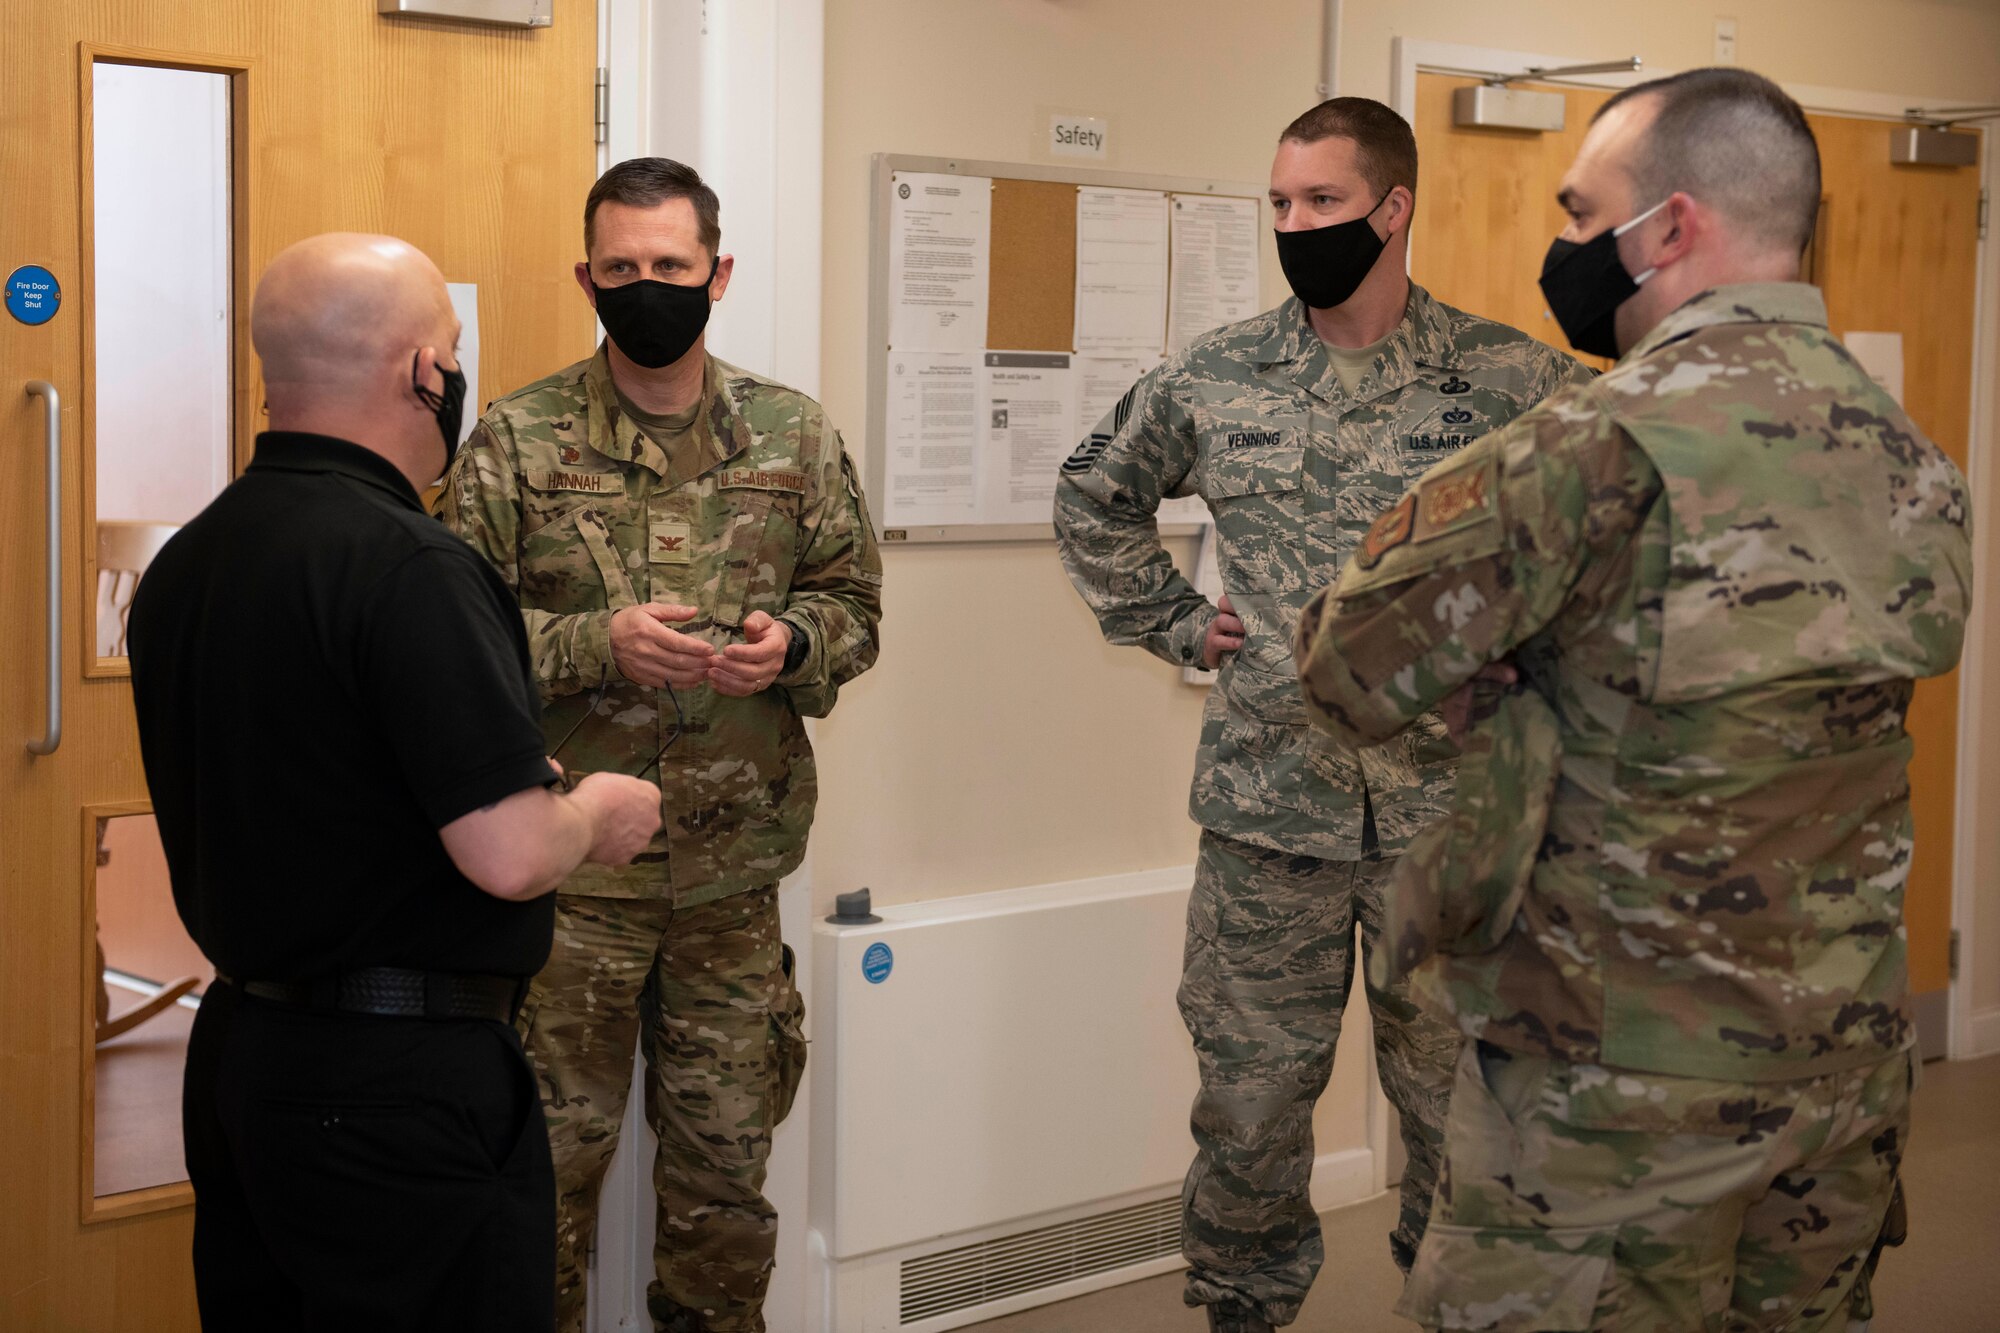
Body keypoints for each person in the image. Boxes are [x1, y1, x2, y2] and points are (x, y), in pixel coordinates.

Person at [1293, 68, 1971, 1331]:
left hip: (1609, 1099)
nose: (1560, 246)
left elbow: (1341, 662)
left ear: (1665, 229)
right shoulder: (1905, 453)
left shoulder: (1585, 447)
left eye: (1574, 210)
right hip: (1841, 1077)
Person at [1053, 98, 1589, 1332]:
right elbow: (1093, 496)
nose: (1295, 226)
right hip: (1267, 812)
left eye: (1322, 203)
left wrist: (1535, 659)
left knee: (1464, 1116)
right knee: (1246, 1118)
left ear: (1391, 209)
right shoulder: (1216, 373)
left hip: (1451, 827)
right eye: (1280, 204)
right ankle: (1241, 1311)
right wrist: (1180, 627)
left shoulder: (1509, 379)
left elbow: (1605, 524)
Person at [127, 232, 664, 1331]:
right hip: (396, 1085)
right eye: (452, 352)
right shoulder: (409, 562)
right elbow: (509, 853)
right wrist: (592, 814)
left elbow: (316, 771)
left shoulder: (193, 557)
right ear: (423, 370)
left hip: (245, 1062)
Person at [438, 157, 883, 1333]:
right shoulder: (517, 440)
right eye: (622, 268)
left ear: (717, 274)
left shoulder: (792, 434)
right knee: (538, 1185)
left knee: (724, 1189)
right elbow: (444, 648)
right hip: (569, 884)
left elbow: (856, 607)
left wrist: (790, 644)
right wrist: (595, 643)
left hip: (733, 885)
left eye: (670, 267)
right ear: (586, 277)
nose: (647, 287)